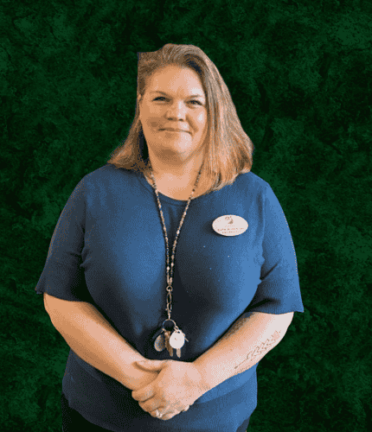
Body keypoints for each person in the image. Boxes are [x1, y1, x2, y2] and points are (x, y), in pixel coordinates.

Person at [35, 43, 304, 432]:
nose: (176, 112)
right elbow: (60, 297)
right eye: (161, 98)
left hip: (219, 422)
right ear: (140, 104)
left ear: (215, 113)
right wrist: (142, 380)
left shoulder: (255, 197)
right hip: (98, 418)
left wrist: (197, 380)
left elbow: (276, 309)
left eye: (194, 102)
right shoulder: (95, 192)